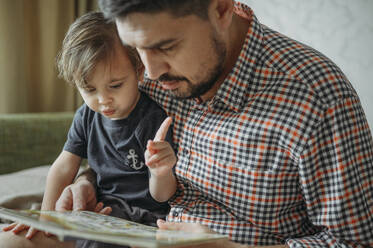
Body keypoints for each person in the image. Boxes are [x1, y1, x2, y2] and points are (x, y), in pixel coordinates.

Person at [86, 0, 373, 247]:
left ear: (222, 9)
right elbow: (107, 141)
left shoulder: (317, 98)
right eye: (136, 49)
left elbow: (354, 241)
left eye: (167, 47)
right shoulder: (149, 79)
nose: (149, 72)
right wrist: (84, 181)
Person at [0, 11, 177, 248]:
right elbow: (63, 167)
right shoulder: (86, 115)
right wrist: (45, 219)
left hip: (142, 222)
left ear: (139, 70)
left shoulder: (152, 118)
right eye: (89, 89)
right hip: (97, 214)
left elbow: (162, 196)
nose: (104, 100)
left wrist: (161, 172)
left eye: (115, 85)